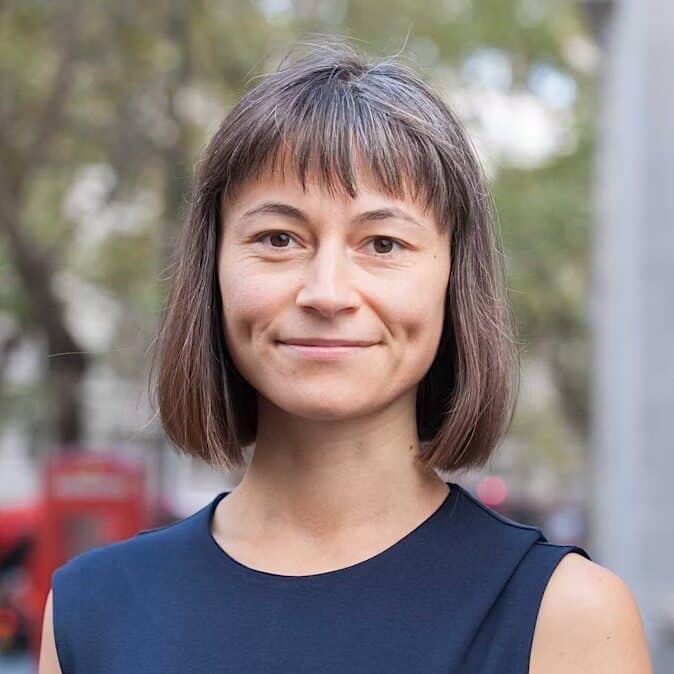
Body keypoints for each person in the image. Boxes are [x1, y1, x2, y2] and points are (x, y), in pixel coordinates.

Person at [39, 39, 652, 674]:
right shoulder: (91, 610)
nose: (327, 292)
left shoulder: (568, 617)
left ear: (453, 280)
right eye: (278, 238)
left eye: (383, 243)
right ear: (213, 271)